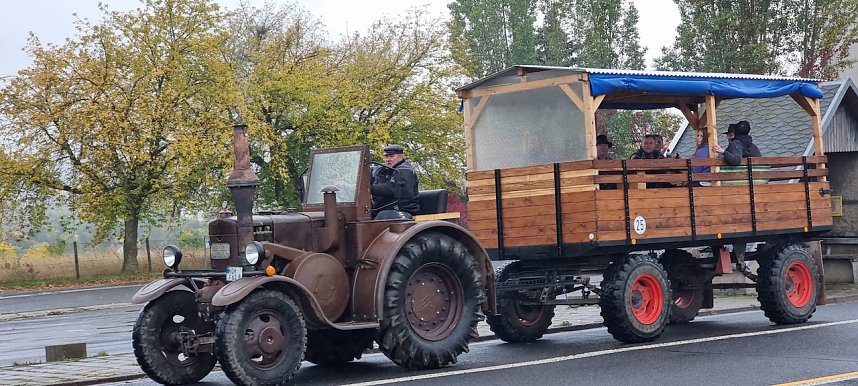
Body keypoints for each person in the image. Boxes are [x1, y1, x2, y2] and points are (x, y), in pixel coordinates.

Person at [371, 144, 420, 218]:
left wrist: (369, 189)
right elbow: (367, 179)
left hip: (402, 210)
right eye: (386, 156)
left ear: (400, 157)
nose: (388, 159)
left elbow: (392, 188)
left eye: (391, 156)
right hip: (381, 210)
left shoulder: (405, 170)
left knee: (385, 215)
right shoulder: (381, 170)